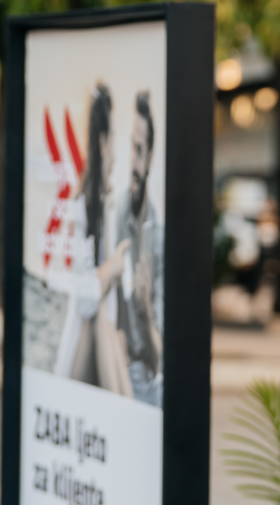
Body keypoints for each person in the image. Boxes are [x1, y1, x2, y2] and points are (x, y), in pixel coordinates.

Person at [62, 83, 132, 396]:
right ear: (103, 142)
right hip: (81, 347)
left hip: (98, 349)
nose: (116, 156)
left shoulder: (107, 205)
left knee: (107, 322)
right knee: (99, 313)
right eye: (114, 140)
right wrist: (113, 268)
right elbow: (86, 299)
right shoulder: (83, 207)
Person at [116, 90, 164, 406]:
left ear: (149, 158)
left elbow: (160, 361)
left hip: (143, 383)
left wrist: (145, 317)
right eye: (128, 148)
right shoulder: (117, 216)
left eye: (139, 150)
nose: (132, 161)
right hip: (117, 371)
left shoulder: (158, 239)